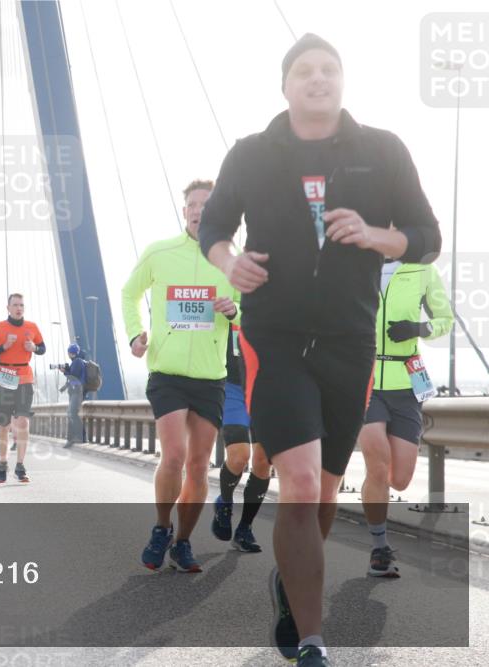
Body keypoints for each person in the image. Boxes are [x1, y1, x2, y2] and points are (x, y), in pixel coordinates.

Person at [199, 34, 441, 667]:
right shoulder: (252, 154)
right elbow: (215, 227)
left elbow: (426, 237)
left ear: (342, 80)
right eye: (304, 70)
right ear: (285, 85)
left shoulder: (382, 150)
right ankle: (312, 641)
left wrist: (375, 234)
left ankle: (290, 580)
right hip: (273, 338)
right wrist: (230, 263)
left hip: (348, 341)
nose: (317, 78)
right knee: (301, 483)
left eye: (328, 69)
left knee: (326, 492)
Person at [122, 179, 239, 574]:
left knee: (199, 464)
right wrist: (137, 333)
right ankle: (161, 528)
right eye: (192, 204)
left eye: (206, 204)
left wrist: (234, 312)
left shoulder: (233, 261)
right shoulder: (160, 252)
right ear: (184, 210)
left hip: (210, 377)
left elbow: (255, 313)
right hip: (167, 373)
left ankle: (184, 542)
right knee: (172, 455)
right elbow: (128, 293)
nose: (197, 210)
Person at [360, 260, 452, 576]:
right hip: (365, 381)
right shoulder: (355, 265)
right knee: (378, 464)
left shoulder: (424, 269)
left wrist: (417, 329)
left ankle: (375, 489)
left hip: (407, 383)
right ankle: (379, 547)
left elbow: (445, 320)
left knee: (398, 478)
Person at [210, 323, 271, 553]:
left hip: (267, 389)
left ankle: (245, 528)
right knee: (239, 456)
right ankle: (225, 503)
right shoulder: (230, 293)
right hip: (233, 385)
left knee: (263, 461)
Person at [0, 293, 46, 483]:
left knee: (23, 423)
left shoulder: (32, 327)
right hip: (5, 377)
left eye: (22, 305)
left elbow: (43, 348)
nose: (19, 308)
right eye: (15, 305)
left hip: (25, 377)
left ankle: (20, 465)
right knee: (4, 424)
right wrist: (4, 346)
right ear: (8, 308)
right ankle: (3, 463)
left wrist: (34, 348)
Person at [59, 344, 87, 448]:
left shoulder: (77, 362)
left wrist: (64, 372)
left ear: (71, 353)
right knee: (71, 414)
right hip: (74, 391)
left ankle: (80, 437)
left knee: (72, 414)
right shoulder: (76, 362)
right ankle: (73, 439)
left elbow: (73, 377)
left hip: (77, 392)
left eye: (69, 352)